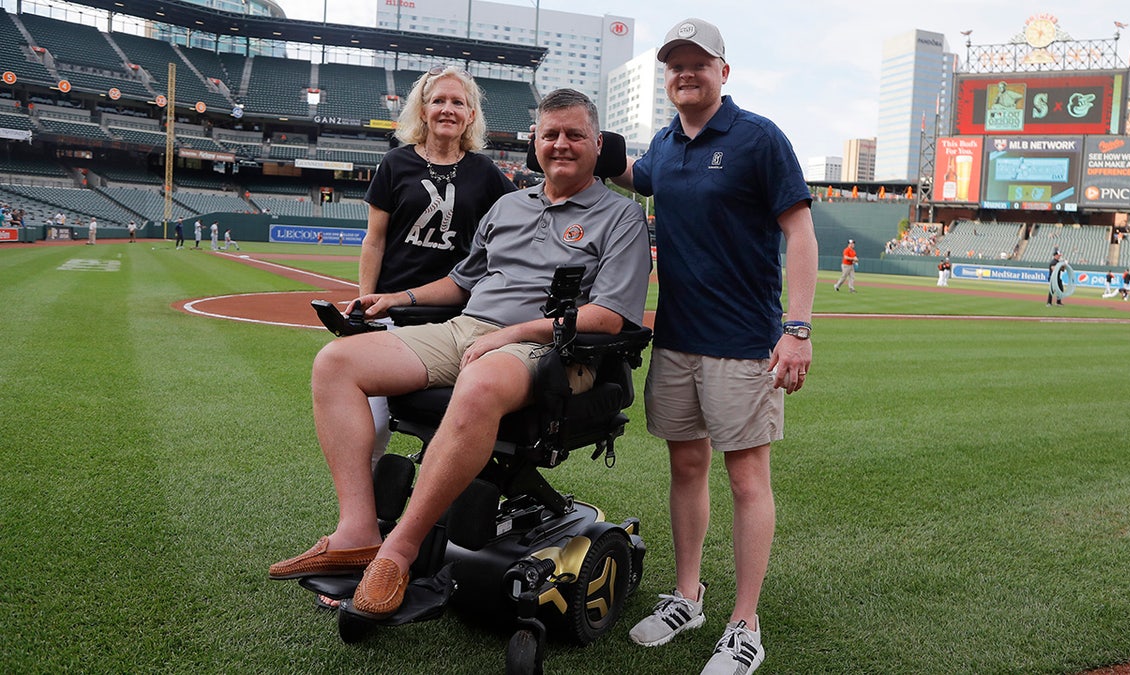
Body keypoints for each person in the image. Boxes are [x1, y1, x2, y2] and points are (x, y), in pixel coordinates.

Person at [268, 89, 652, 623]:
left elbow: (609, 317)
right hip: (468, 329)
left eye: (574, 135)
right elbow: (461, 281)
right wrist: (396, 299)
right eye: (550, 135)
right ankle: (358, 531)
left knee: (481, 380)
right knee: (338, 362)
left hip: (557, 350)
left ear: (597, 144)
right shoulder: (509, 204)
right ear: (535, 143)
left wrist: (510, 334)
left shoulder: (623, 217)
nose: (561, 145)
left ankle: (397, 551)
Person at [612, 18, 817, 675]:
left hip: (743, 342)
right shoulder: (665, 147)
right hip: (676, 339)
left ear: (723, 71)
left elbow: (802, 234)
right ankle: (689, 595)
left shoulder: (758, 137)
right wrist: (575, 139)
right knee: (686, 468)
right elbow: (633, 175)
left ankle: (744, 623)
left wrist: (798, 326)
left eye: (699, 62)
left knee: (747, 478)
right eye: (675, 64)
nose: (686, 73)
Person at [358, 64, 517, 471]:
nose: (448, 109)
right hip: (394, 312)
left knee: (451, 424)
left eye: (458, 102)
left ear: (471, 116)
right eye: (438, 100)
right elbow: (374, 240)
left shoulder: (484, 171)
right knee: (375, 426)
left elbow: (522, 214)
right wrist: (365, 301)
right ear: (423, 110)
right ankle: (369, 519)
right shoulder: (395, 163)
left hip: (457, 318)